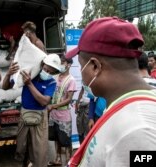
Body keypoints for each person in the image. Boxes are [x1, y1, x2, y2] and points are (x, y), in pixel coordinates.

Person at [65, 17, 156, 167]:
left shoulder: (138, 131)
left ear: (95, 66)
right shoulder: (123, 106)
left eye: (81, 66)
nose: (81, 73)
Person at [2, 54, 62, 167]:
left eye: (51, 71)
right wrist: (9, 74)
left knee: (40, 149)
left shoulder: (51, 82)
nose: (47, 73)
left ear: (54, 72)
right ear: (42, 65)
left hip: (40, 117)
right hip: (25, 114)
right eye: (45, 69)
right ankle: (25, 162)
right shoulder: (31, 75)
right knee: (21, 146)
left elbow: (44, 101)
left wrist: (29, 84)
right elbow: (5, 87)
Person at [47, 56, 76, 166]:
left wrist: (53, 106)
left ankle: (70, 161)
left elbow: (68, 99)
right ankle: (58, 159)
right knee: (56, 139)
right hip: (54, 115)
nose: (60, 65)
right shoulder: (56, 77)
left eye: (62, 62)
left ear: (68, 65)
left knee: (66, 140)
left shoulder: (71, 80)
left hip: (64, 115)